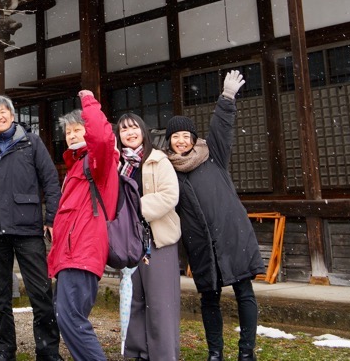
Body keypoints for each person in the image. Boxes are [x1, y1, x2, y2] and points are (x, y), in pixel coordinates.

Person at [165, 70, 264, 361]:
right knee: (209, 298)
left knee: (244, 291)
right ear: (169, 141)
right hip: (200, 242)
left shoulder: (213, 155)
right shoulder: (167, 169)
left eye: (186, 135)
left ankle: (246, 352)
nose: (181, 141)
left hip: (232, 233)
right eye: (175, 136)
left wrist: (227, 97)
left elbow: (222, 127)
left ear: (194, 139)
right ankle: (215, 353)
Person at [0, 95, 62, 361]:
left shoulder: (31, 143)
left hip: (28, 229)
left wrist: (50, 218)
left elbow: (51, 181)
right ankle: (6, 349)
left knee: (40, 293)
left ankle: (48, 350)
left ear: (12, 115)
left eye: (3, 111)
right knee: (2, 296)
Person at [46, 91, 119, 361]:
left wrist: (89, 103)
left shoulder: (98, 161)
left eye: (78, 130)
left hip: (83, 252)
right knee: (67, 317)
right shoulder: (76, 166)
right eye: (68, 132)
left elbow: (102, 137)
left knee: (71, 318)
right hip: (70, 254)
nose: (72, 135)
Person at [116, 113, 181, 361]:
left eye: (133, 128)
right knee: (135, 298)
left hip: (157, 238)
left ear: (143, 130)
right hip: (130, 241)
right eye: (124, 130)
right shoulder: (118, 164)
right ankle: (139, 351)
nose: (130, 133)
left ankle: (163, 354)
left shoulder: (157, 160)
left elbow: (169, 196)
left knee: (161, 301)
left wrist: (134, 208)